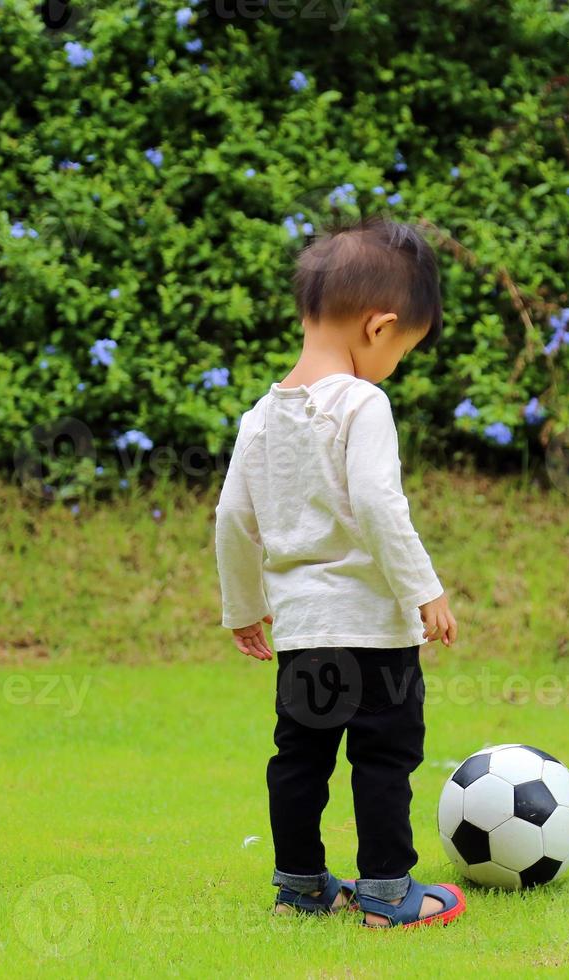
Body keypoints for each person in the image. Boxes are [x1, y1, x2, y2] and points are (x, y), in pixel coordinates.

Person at [214, 217, 466, 928]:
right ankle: (389, 893)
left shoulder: (260, 418)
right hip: (373, 635)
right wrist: (425, 590)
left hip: (303, 635)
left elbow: (234, 518)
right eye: (404, 351)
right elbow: (380, 505)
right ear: (379, 328)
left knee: (300, 760)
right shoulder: (363, 403)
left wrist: (243, 605)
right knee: (383, 760)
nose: (395, 365)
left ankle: (299, 886)